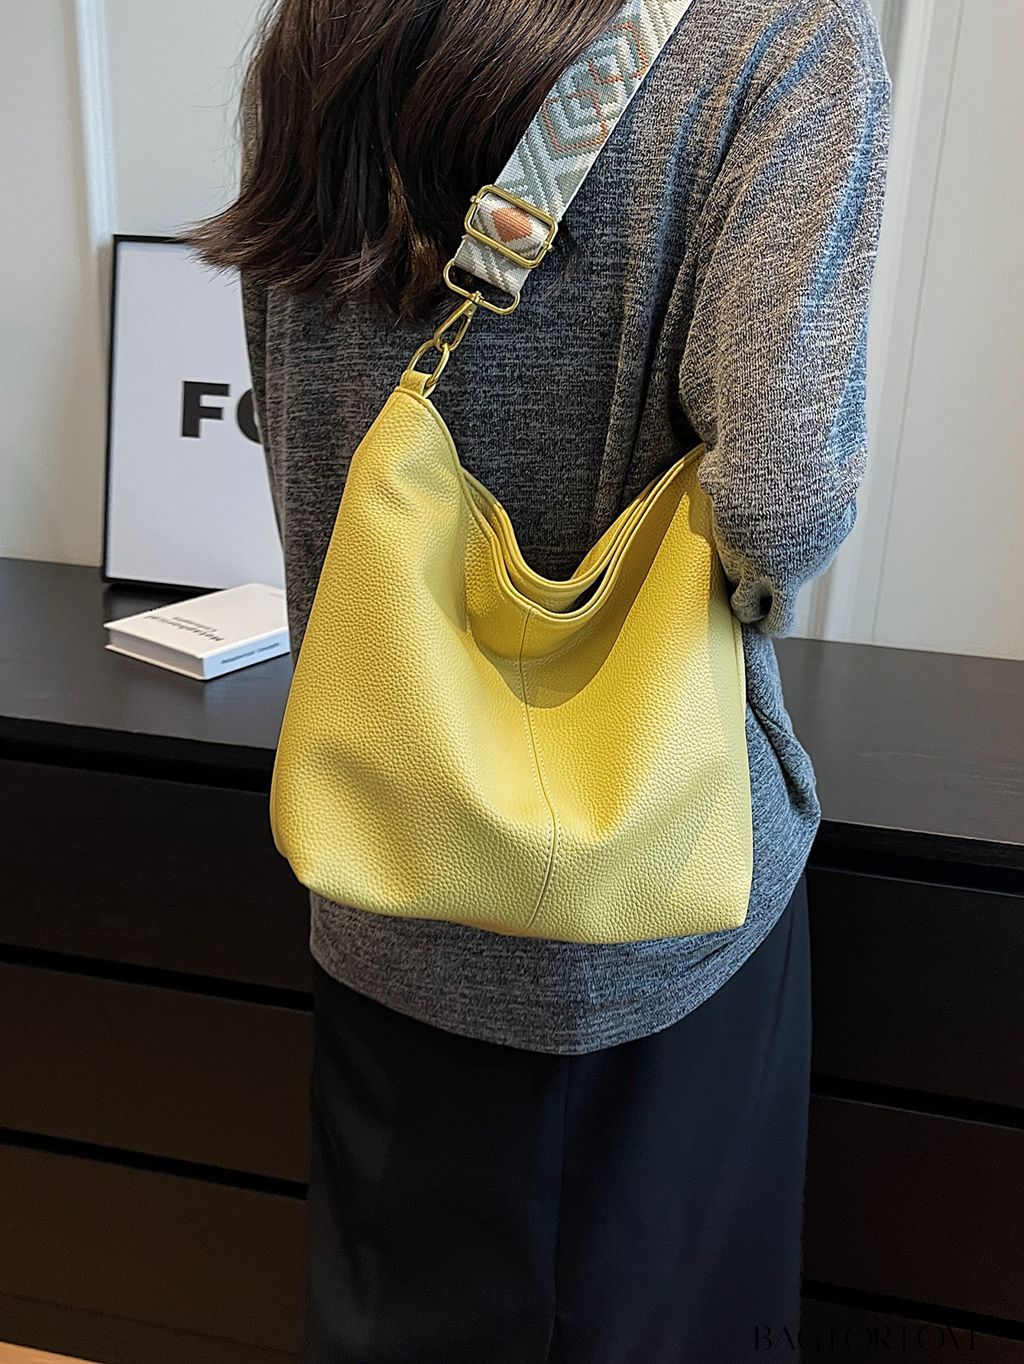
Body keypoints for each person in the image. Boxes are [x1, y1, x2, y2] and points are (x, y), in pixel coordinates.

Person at [185, 0, 891, 1358]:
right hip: (652, 907)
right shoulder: (779, 38)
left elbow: (292, 403)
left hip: (385, 861)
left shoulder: (327, 23)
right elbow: (782, 499)